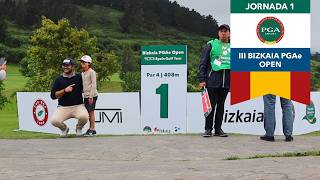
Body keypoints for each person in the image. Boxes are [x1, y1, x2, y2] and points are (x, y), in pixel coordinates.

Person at [198, 24, 230, 137]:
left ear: (229, 34)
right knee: (211, 106)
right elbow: (203, 62)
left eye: (225, 31)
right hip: (212, 81)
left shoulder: (233, 46)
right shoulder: (211, 44)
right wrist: (202, 79)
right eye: (221, 31)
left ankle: (218, 129)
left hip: (226, 83)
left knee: (221, 106)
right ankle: (208, 129)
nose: (223, 33)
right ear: (218, 33)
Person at [50, 58, 88, 137]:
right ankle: (64, 129)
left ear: (73, 66)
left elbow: (88, 85)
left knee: (84, 117)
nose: (65, 67)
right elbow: (53, 96)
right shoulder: (58, 79)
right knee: (54, 121)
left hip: (78, 106)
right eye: (64, 65)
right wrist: (64, 90)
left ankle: (79, 128)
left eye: (67, 65)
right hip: (63, 108)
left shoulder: (79, 77)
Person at [79, 55, 98, 136]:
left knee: (91, 112)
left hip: (92, 96)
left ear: (89, 63)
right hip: (86, 96)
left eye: (84, 62)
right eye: (81, 62)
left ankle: (92, 129)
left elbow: (94, 85)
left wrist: (91, 96)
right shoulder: (82, 73)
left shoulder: (92, 72)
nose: (82, 63)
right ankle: (91, 129)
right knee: (88, 113)